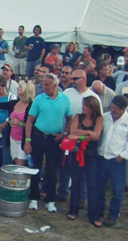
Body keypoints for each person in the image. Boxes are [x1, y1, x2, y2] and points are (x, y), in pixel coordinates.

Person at [24, 74, 73, 212]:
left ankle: (50, 199)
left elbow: (70, 118)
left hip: (54, 139)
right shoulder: (39, 99)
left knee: (52, 170)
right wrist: (28, 140)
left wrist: (64, 134)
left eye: (47, 85)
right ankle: (34, 197)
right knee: (35, 168)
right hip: (39, 136)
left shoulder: (64, 99)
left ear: (55, 85)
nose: (44, 87)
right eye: (43, 84)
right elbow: (30, 120)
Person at [99, 96, 128, 226]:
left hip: (117, 161)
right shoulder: (105, 117)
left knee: (117, 190)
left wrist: (123, 156)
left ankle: (113, 215)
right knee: (100, 187)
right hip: (102, 157)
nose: (112, 110)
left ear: (123, 109)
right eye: (112, 107)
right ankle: (99, 209)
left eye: (115, 109)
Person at [66, 95, 104, 224]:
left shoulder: (99, 119)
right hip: (77, 153)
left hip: (91, 155)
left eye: (86, 106)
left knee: (92, 184)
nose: (83, 108)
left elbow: (96, 136)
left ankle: (94, 214)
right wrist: (88, 133)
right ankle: (73, 210)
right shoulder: (78, 117)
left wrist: (79, 136)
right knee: (75, 182)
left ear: (92, 108)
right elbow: (72, 130)